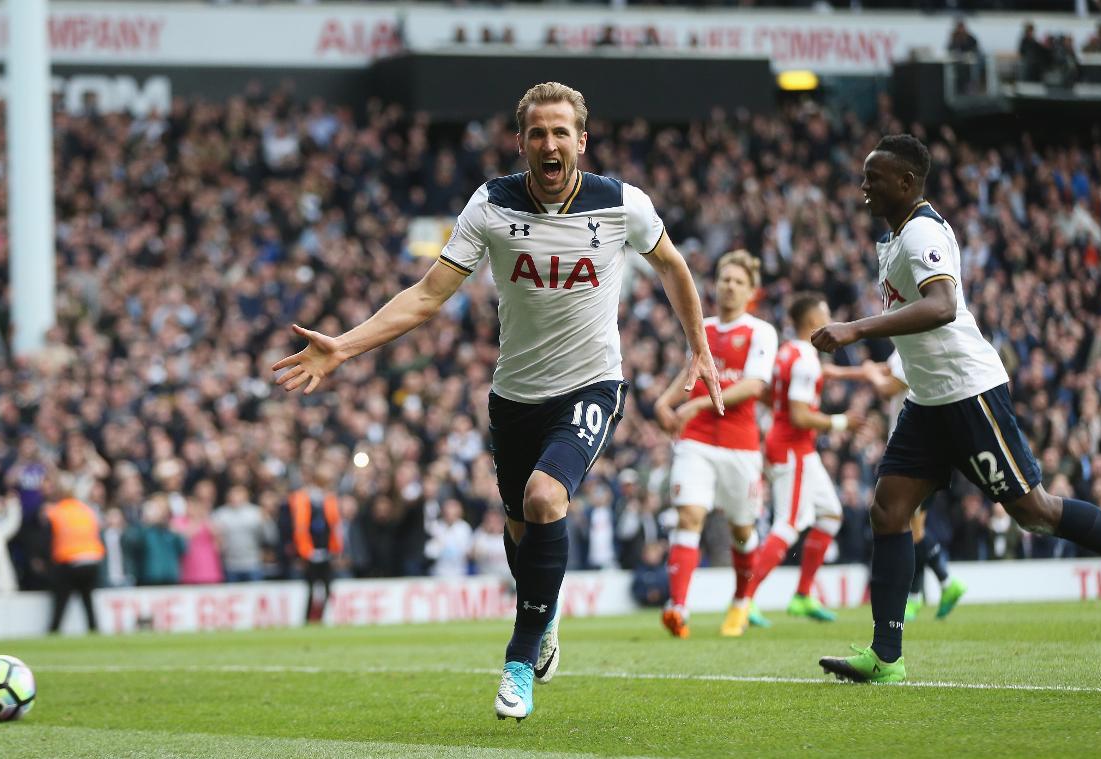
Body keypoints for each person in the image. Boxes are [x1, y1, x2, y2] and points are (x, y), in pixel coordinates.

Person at [272, 81, 722, 721]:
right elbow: (428, 294)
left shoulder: (622, 205)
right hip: (515, 397)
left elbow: (674, 267)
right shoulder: (491, 204)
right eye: (537, 133)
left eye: (560, 133)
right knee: (522, 531)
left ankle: (517, 662)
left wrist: (697, 348)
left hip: (593, 383)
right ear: (521, 143)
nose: (549, 143)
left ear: (580, 142)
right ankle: (548, 607)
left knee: (545, 497)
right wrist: (344, 346)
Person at [810, 134, 1101, 684]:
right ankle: (886, 655)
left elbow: (944, 305)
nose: (863, 186)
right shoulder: (894, 237)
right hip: (927, 399)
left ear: (906, 182)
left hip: (968, 392)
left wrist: (855, 329)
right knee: (889, 511)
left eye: (874, 177)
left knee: (1034, 512)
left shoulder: (921, 231)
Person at [652, 249, 777, 639]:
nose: (730, 286)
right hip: (697, 441)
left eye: (739, 281)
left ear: (751, 290)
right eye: (725, 279)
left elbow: (755, 385)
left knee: (742, 529)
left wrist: (697, 404)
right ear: (716, 284)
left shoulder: (760, 332)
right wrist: (665, 401)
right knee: (689, 515)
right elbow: (692, 368)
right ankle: (678, 608)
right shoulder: (701, 326)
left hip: (740, 445)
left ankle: (741, 601)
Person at [739, 293, 863, 626]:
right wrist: (841, 422)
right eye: (826, 313)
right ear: (812, 321)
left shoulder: (788, 352)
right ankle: (745, 600)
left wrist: (861, 373)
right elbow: (799, 416)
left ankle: (803, 595)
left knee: (830, 515)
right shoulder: (805, 359)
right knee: (789, 524)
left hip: (793, 447)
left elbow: (774, 395)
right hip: (793, 449)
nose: (831, 319)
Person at [864, 351, 966, 621]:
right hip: (928, 445)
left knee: (911, 528)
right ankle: (917, 596)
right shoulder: (908, 348)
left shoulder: (910, 347)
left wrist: (869, 374)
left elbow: (888, 387)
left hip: (913, 450)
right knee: (913, 526)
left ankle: (945, 582)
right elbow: (887, 369)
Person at [43, 476, 105, 633]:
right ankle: (93, 628)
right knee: (87, 599)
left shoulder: (56, 511)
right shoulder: (86, 510)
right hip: (92, 559)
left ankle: (54, 629)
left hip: (69, 560)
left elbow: (49, 538)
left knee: (61, 599)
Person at [286, 474, 343, 623]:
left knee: (326, 587)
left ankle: (323, 617)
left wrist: (335, 550)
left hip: (326, 552)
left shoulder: (328, 503)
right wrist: (302, 553)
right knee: (311, 588)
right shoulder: (301, 502)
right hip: (308, 553)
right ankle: (308, 618)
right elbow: (299, 529)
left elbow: (334, 528)